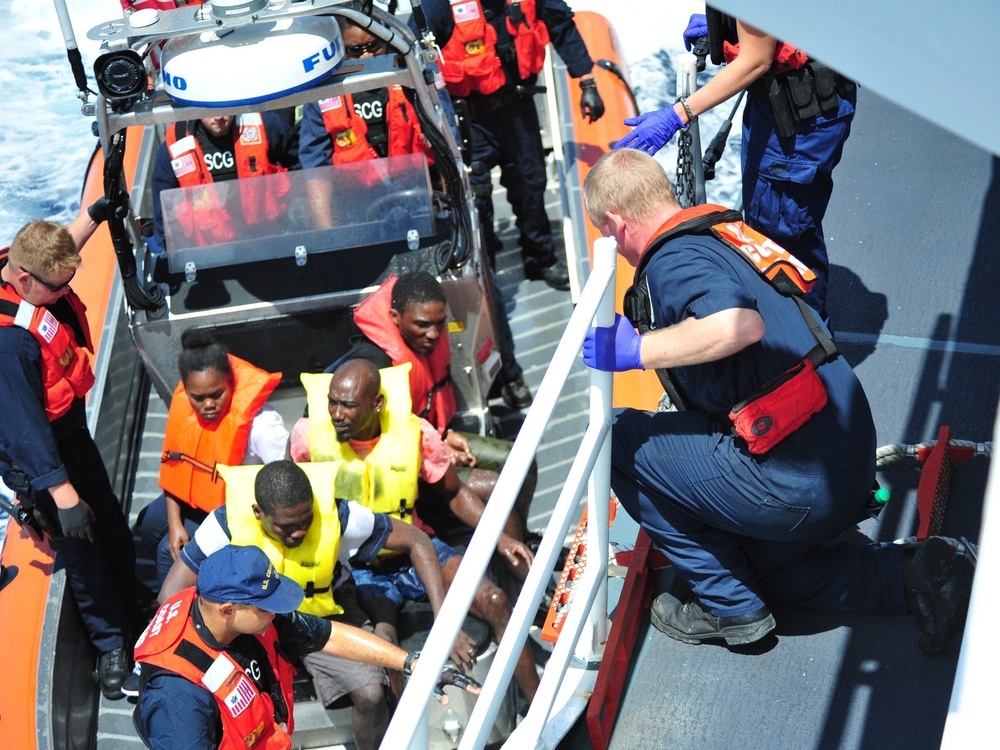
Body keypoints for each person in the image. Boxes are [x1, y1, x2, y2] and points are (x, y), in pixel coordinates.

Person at [580, 149, 975, 654]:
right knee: (778, 576)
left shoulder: (671, 259)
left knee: (616, 438)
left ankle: (727, 606)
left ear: (616, 223)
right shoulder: (726, 234)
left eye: (607, 237)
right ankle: (910, 579)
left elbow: (737, 325)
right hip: (845, 460)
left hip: (798, 481)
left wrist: (635, 351)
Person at [156, 459, 475, 750]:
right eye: (286, 527)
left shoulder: (339, 515)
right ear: (258, 513)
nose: (300, 532)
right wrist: (216, 642)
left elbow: (416, 540)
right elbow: (171, 591)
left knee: (372, 693)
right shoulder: (224, 526)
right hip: (247, 627)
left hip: (323, 610)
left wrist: (434, 638)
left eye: (306, 521)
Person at [301, 21, 533, 410]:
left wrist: (452, 201)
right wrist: (329, 236)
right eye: (355, 51)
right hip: (360, 225)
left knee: (479, 281)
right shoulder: (320, 99)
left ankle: (506, 370)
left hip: (422, 209)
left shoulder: (411, 81)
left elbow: (445, 141)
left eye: (372, 47)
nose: (367, 58)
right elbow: (314, 171)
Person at [291, 359, 540, 702]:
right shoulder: (307, 440)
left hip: (417, 549)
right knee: (385, 645)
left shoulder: (415, 433)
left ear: (376, 404)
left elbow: (453, 492)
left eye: (347, 405)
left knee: (496, 601)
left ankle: (540, 709)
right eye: (332, 402)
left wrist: (501, 538)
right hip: (360, 568)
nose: (336, 413)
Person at [614, 8, 856, 321]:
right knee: (774, 228)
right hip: (781, 107)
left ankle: (809, 349)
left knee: (784, 240)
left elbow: (757, 60)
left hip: (798, 121)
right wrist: (728, 29)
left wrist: (677, 115)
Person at [0, 208, 146, 699]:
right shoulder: (8, 347)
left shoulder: (27, 269)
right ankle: (113, 646)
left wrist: (97, 217)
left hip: (72, 436)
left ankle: (139, 602)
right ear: (24, 280)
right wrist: (63, 497)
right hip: (45, 464)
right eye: (58, 289)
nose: (65, 296)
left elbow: (60, 253)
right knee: (80, 551)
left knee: (109, 521)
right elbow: (24, 432)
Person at [134, 544, 479, 749]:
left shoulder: (241, 610)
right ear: (228, 610)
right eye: (266, 605)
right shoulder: (176, 699)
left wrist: (411, 663)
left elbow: (328, 635)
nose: (277, 611)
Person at [417, 0, 606, 293]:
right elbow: (417, 56)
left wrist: (587, 83)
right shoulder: (439, 5)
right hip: (468, 120)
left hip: (519, 110)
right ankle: (484, 270)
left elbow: (560, 25)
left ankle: (540, 259)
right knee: (474, 199)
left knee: (531, 185)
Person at [337, 271, 537, 541]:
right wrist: (434, 451)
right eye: (422, 325)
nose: (433, 334)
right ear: (395, 317)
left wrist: (445, 435)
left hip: (434, 440)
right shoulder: (373, 368)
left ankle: (522, 539)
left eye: (440, 323)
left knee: (522, 460)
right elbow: (365, 442)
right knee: (494, 486)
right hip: (405, 470)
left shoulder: (426, 340)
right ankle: (516, 565)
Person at [135, 329, 287, 589]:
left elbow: (288, 480)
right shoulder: (186, 409)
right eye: (198, 397)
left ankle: (174, 610)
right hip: (199, 497)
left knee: (168, 553)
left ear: (231, 382)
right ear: (186, 388)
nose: (208, 405)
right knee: (148, 523)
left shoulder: (263, 426)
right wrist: (174, 525)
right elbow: (176, 469)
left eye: (217, 394)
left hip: (238, 511)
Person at [149, 113, 299, 253]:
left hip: (269, 242)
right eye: (209, 109)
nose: (219, 117)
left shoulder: (265, 125)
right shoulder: (175, 145)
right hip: (210, 254)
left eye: (222, 108)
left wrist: (298, 211)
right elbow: (163, 208)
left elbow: (301, 168)